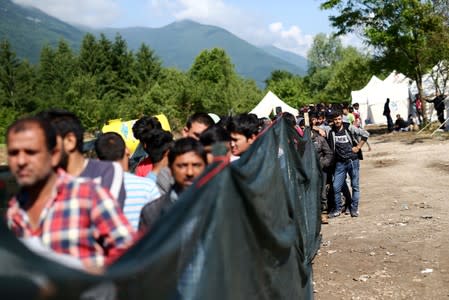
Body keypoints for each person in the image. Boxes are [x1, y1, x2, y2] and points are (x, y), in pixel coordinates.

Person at [5, 116, 134, 272]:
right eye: (13, 153)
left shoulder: (90, 196)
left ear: (54, 155)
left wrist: (82, 278)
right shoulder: (13, 212)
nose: (21, 161)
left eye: (31, 152)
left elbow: (130, 259)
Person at [37, 109, 127, 208]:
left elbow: (108, 214)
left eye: (48, 142)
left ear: (70, 141)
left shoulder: (106, 172)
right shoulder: (44, 180)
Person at [95, 132, 161, 230]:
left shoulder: (89, 190)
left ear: (98, 160)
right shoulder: (147, 187)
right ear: (127, 151)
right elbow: (160, 223)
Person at [139, 138, 207, 231]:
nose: (190, 172)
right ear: (170, 169)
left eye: (196, 165)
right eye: (182, 166)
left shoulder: (222, 204)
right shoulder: (152, 212)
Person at [327, 111, 370, 218]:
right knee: (336, 186)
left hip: (352, 161)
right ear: (333, 121)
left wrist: (358, 147)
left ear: (342, 119)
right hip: (340, 163)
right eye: (335, 120)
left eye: (339, 119)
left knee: (355, 186)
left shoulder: (349, 128)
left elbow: (365, 134)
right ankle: (337, 209)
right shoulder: (331, 131)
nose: (337, 121)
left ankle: (354, 209)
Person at [310, 112, 334, 224]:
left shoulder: (320, 139)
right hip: (308, 171)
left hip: (321, 170)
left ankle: (323, 213)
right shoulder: (302, 142)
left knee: (322, 192)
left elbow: (328, 154)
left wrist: (322, 164)